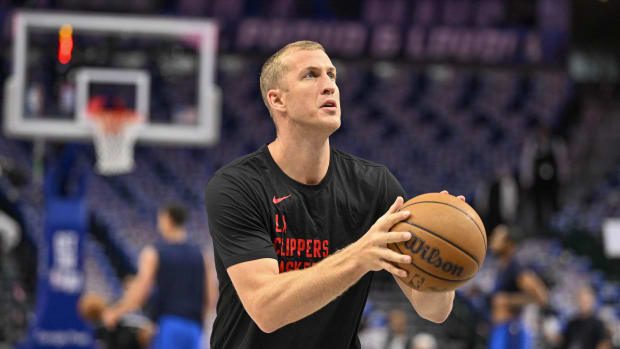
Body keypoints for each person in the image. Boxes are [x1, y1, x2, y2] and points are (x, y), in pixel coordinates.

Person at [205, 40, 457, 349]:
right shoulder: (237, 186)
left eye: (332, 75)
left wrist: (445, 254)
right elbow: (266, 309)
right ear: (277, 100)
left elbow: (432, 309)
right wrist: (359, 256)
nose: (329, 86)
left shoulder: (375, 186)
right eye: (310, 75)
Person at [102, 204, 218, 349]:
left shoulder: (154, 253)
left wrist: (116, 312)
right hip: (194, 328)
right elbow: (211, 296)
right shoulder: (202, 255)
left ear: (166, 219)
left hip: (169, 323)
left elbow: (141, 291)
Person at [489, 224, 548, 349]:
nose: (492, 239)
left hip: (511, 331)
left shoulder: (516, 267)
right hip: (499, 328)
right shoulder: (502, 265)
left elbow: (542, 297)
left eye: (497, 236)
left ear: (509, 243)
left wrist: (508, 300)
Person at [559, 285, 611, 349]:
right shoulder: (571, 324)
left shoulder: (598, 324)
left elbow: (604, 345)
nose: (582, 303)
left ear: (592, 302)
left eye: (586, 301)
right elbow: (564, 344)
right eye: (580, 300)